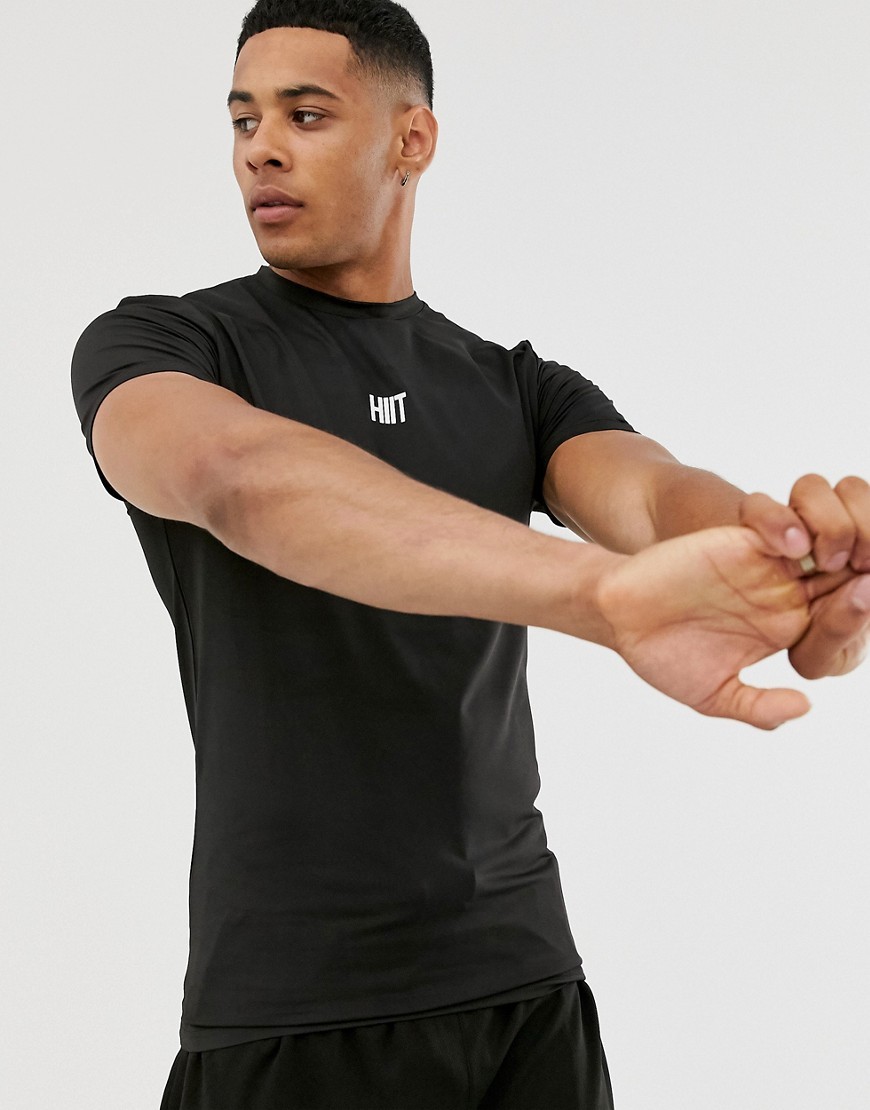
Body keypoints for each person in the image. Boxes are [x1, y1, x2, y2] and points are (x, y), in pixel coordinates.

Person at [70, 1, 870, 1107]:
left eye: (306, 114)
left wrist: (795, 559)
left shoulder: (519, 388)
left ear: (413, 139)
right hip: (293, 1010)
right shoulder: (164, 347)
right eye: (244, 119)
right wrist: (602, 598)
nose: (261, 148)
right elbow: (238, 478)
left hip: (526, 996)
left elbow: (651, 493)